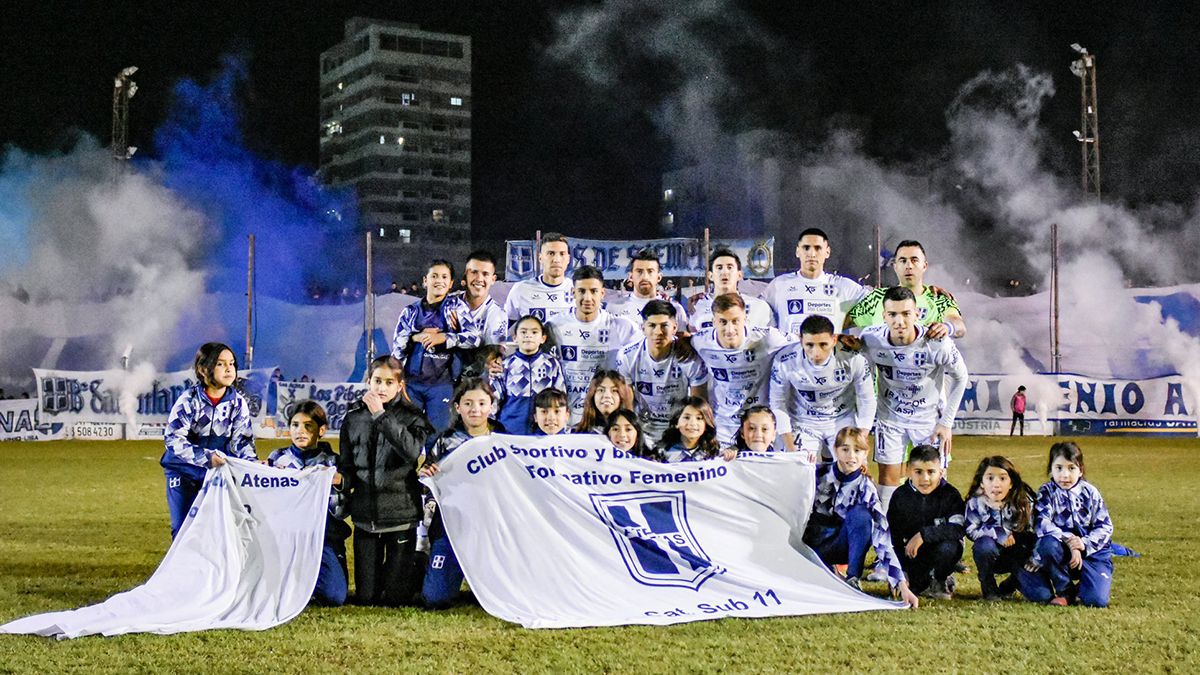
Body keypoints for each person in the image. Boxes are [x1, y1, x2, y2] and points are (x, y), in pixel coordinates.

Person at [859, 286, 969, 512]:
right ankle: (889, 539)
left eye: (906, 314)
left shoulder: (937, 343)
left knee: (932, 477)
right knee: (888, 478)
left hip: (929, 421)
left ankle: (932, 535)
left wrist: (946, 423)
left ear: (917, 314)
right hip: (890, 418)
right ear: (884, 316)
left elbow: (961, 377)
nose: (899, 321)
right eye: (893, 315)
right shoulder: (870, 339)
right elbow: (862, 381)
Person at [338, 355, 434, 606]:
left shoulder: (414, 416)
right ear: (368, 381)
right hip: (365, 515)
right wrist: (340, 481)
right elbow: (347, 466)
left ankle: (419, 563)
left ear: (399, 385)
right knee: (366, 598)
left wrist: (381, 416)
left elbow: (412, 453)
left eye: (389, 382)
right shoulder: (353, 418)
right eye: (377, 381)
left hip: (401, 516)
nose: (381, 388)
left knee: (395, 599)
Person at [803, 427, 918, 607]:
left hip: (842, 547)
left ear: (866, 453)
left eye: (857, 450)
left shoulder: (867, 488)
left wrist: (901, 584)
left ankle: (853, 579)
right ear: (835, 450)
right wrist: (801, 467)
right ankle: (824, 569)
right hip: (811, 548)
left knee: (861, 515)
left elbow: (882, 536)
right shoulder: (816, 474)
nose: (851, 456)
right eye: (845, 449)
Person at [417, 377, 501, 609]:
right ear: (457, 407)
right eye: (468, 403)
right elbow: (428, 481)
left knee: (498, 597)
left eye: (482, 403)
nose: (476, 409)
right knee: (435, 599)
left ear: (491, 406)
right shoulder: (445, 441)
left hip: (491, 528)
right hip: (452, 526)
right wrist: (426, 473)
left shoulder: (503, 439)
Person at [161, 342, 257, 539]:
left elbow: (243, 443)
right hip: (183, 470)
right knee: (182, 528)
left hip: (217, 473)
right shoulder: (188, 401)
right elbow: (173, 439)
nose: (229, 368)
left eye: (232, 363)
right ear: (203, 370)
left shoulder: (238, 403)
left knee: (218, 530)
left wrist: (253, 466)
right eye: (221, 364)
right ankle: (183, 570)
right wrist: (205, 458)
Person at [267, 400, 350, 606]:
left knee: (334, 597)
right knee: (273, 594)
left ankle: (309, 580)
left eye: (308, 426)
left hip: (323, 538)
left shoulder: (333, 462)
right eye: (295, 425)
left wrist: (338, 483)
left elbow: (342, 511)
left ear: (321, 430)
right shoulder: (276, 459)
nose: (300, 431)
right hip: (286, 537)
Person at [769, 315, 876, 462]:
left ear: (834, 340)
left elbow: (867, 400)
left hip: (842, 419)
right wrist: (790, 448)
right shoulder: (784, 360)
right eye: (809, 345)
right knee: (799, 468)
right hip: (803, 422)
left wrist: (862, 437)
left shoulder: (854, 359)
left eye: (823, 345)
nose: (816, 353)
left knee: (851, 467)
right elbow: (777, 402)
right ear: (801, 340)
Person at [1019, 442, 1114, 607]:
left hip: (1091, 551)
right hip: (1060, 548)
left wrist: (1083, 544)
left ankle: (1085, 585)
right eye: (1059, 468)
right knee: (1047, 545)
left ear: (1081, 470)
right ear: (1051, 470)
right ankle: (1065, 591)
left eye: (1071, 468)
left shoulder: (1091, 493)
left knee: (1096, 601)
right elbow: (1042, 524)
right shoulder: (1046, 492)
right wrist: (1071, 542)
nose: (1065, 475)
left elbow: (1105, 527)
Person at [391, 259, 481, 432]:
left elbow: (474, 338)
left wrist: (445, 338)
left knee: (436, 434)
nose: (439, 280)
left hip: (442, 384)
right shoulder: (410, 311)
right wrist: (415, 337)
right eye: (434, 276)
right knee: (407, 432)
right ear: (425, 280)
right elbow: (397, 348)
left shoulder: (457, 308)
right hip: (412, 383)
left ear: (451, 283)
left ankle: (431, 459)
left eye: (444, 277)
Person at [691, 293, 791, 445]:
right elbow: (682, 341)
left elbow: (803, 341)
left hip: (759, 426)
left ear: (745, 319)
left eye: (735, 321)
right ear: (714, 322)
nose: (730, 330)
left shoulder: (767, 338)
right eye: (723, 322)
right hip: (724, 427)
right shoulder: (700, 342)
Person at [548, 265, 640, 425]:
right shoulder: (554, 326)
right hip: (567, 421)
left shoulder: (622, 327)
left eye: (594, 291)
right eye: (582, 291)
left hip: (607, 421)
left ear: (602, 293)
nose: (588, 298)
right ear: (573, 293)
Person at [614, 300, 708, 446]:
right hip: (643, 431)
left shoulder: (688, 357)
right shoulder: (627, 356)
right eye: (652, 325)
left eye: (664, 325)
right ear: (643, 328)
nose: (658, 332)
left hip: (679, 429)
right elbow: (628, 406)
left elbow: (698, 405)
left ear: (675, 327)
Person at [886, 444, 966, 600]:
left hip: (941, 549)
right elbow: (892, 537)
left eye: (931, 472)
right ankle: (918, 579)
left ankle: (940, 579)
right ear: (908, 472)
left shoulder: (950, 494)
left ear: (941, 472)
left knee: (950, 547)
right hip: (913, 555)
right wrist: (900, 571)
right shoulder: (900, 496)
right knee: (914, 587)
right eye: (918, 472)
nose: (925, 478)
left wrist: (924, 535)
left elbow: (958, 528)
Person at [846, 239, 966, 339]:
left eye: (914, 260)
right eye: (903, 261)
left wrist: (947, 327)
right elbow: (843, 322)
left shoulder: (938, 299)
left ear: (924, 266)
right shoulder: (877, 297)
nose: (908, 266)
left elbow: (959, 326)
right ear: (895, 267)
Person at [762, 228, 867, 336]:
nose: (812, 254)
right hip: (792, 352)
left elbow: (879, 305)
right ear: (798, 252)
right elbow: (758, 316)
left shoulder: (843, 287)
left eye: (818, 248)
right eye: (806, 248)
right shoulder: (779, 285)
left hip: (829, 352)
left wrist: (846, 323)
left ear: (827, 252)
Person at [965, 455, 1037, 601]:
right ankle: (989, 588)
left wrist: (1016, 537)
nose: (996, 484)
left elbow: (1035, 531)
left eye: (1002, 479)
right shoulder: (975, 503)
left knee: (1039, 594)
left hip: (1019, 553)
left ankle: (1010, 585)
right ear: (982, 483)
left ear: (1011, 483)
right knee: (983, 545)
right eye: (990, 478)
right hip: (993, 554)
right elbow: (970, 530)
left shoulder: (1023, 501)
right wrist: (999, 534)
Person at [493, 315, 566, 435]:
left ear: (543, 338)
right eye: (523, 332)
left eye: (534, 332)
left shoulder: (552, 364)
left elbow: (560, 399)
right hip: (510, 432)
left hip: (544, 432)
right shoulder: (505, 365)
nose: (528, 335)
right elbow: (494, 400)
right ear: (515, 337)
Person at [688, 248, 772, 332]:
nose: (724, 272)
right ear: (710, 276)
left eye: (730, 267)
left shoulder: (759, 307)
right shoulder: (697, 305)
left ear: (739, 275)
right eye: (719, 268)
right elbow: (693, 336)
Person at [503, 232, 574, 323]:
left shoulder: (578, 289)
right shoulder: (520, 290)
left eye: (562, 254)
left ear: (568, 259)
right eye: (551, 253)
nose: (556, 259)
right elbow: (510, 330)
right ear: (540, 258)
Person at [606, 248, 689, 325]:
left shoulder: (675, 308)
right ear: (630, 277)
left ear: (659, 277)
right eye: (639, 271)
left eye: (650, 271)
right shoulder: (614, 307)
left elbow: (682, 339)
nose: (645, 277)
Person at [455, 250, 509, 349]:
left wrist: (449, 338)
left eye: (485, 274)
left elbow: (492, 354)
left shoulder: (497, 314)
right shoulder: (449, 302)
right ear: (466, 275)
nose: (479, 279)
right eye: (474, 272)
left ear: (493, 279)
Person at [656, 397, 721, 463]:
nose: (692, 423)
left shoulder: (714, 451)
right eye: (687, 417)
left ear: (706, 425)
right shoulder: (662, 452)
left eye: (699, 418)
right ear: (676, 422)